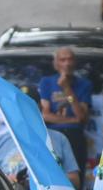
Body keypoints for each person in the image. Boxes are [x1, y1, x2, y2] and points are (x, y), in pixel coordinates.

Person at [0, 85, 81, 190]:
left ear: (40, 108)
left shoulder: (59, 139)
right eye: (20, 106)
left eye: (29, 106)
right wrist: (5, 180)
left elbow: (75, 181)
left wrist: (43, 179)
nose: (25, 111)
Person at [39, 47, 92, 176]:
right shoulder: (47, 82)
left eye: (70, 60)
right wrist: (73, 120)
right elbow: (45, 115)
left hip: (75, 135)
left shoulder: (84, 84)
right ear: (56, 64)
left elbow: (82, 116)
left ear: (75, 63)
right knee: (53, 174)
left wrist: (67, 88)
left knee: (74, 175)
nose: (67, 64)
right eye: (62, 60)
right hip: (53, 135)